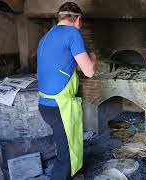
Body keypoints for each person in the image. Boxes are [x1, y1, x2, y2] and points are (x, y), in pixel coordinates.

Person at [37, 2, 96, 179]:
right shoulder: (72, 33)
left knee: (66, 147)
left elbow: (40, 74)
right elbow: (90, 72)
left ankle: (74, 175)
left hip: (45, 104)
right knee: (66, 157)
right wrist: (93, 57)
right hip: (60, 106)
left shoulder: (46, 37)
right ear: (78, 20)